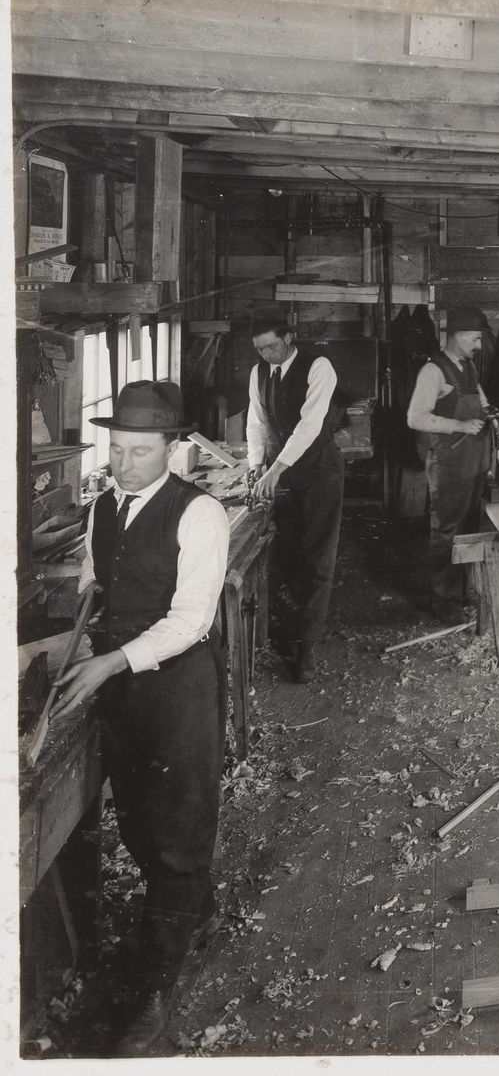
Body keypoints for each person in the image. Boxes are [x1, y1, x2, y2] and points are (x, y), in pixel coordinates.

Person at [54, 381, 229, 1055]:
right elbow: (98, 585)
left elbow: (191, 620)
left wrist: (107, 663)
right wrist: (76, 637)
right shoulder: (103, 506)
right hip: (124, 683)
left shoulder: (199, 514)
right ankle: (193, 911)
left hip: (177, 683)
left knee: (179, 824)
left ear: (173, 447)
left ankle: (157, 986)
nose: (125, 464)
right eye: (118, 450)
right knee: (138, 817)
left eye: (141, 451)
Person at [245, 322, 344, 682]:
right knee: (287, 554)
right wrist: (256, 465)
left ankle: (307, 648)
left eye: (271, 347)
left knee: (317, 555)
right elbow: (255, 422)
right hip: (280, 471)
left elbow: (309, 424)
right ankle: (296, 624)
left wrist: (275, 471)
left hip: (318, 470)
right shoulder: (259, 373)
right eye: (259, 349)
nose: (266, 355)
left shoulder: (318, 367)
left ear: (288, 337)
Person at [407, 305, 495, 624]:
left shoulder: (467, 366)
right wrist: (459, 426)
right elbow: (415, 418)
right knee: (447, 530)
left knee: (469, 527)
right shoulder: (433, 371)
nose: (479, 345)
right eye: (474, 338)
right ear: (457, 336)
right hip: (448, 463)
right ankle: (443, 600)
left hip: (473, 462)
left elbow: (483, 403)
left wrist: (494, 419)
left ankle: (460, 592)